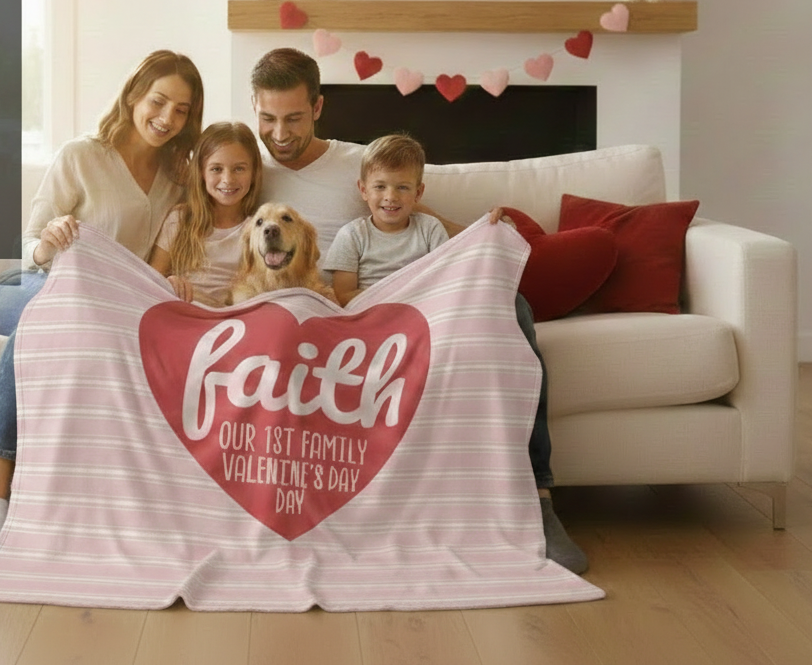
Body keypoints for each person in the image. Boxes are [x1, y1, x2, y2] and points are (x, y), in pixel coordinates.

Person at [250, 47, 588, 574]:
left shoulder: (355, 164)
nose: (280, 132)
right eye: (268, 118)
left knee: (509, 306)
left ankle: (538, 499)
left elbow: (413, 212)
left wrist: (480, 235)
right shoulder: (249, 168)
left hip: (403, 300)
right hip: (330, 308)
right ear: (254, 106)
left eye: (293, 118)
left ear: (318, 107)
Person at [0, 50, 204, 572]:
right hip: (29, 286)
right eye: (158, 101)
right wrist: (48, 244)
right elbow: (24, 247)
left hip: (99, 308)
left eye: (181, 110)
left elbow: (154, 264)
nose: (166, 118)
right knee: (45, 317)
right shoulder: (81, 156)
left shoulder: (177, 179)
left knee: (82, 322)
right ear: (134, 94)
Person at [323, 133, 449, 307]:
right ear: (364, 190)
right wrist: (391, 300)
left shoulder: (430, 229)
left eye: (402, 187)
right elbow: (344, 295)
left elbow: (445, 280)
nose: (390, 197)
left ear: (418, 193)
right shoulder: (352, 235)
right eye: (380, 187)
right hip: (370, 314)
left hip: (421, 310)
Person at [149, 121, 262, 307]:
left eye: (239, 169)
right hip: (182, 313)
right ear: (201, 172)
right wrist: (168, 282)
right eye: (216, 169)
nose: (228, 180)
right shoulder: (180, 219)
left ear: (254, 171)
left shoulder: (257, 230)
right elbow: (151, 278)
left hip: (231, 322)